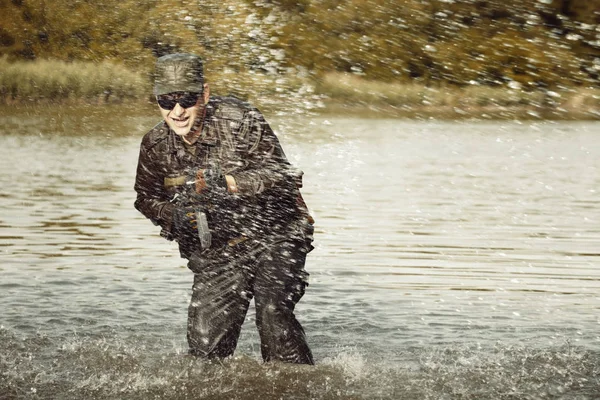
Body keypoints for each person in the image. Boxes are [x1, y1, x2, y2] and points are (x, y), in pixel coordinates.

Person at [134, 53, 315, 365]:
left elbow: (285, 175)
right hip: (217, 251)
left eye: (187, 100)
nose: (177, 111)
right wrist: (173, 216)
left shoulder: (241, 120)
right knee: (205, 355)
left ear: (204, 93)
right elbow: (145, 198)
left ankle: (300, 386)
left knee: (273, 317)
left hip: (278, 235)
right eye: (166, 101)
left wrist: (230, 183)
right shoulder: (154, 145)